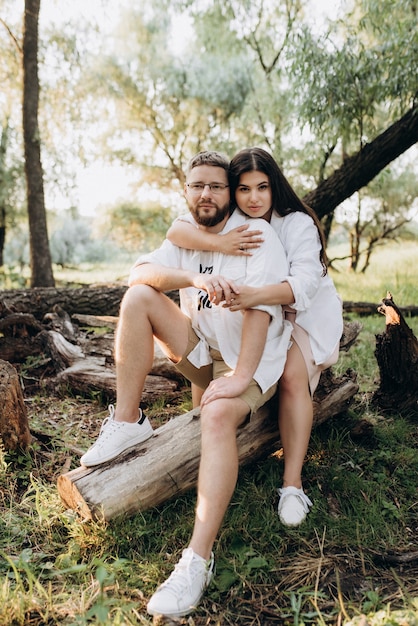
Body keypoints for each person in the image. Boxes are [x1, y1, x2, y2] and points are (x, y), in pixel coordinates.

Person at [80, 150, 293, 618]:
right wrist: (198, 272)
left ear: (230, 191)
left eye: (216, 186)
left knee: (216, 413)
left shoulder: (254, 237)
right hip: (204, 348)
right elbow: (140, 274)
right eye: (197, 186)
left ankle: (196, 560)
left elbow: (260, 315)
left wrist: (239, 379)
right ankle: (128, 421)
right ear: (186, 191)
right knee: (138, 298)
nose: (206, 194)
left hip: (250, 361)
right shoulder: (189, 233)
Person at [167, 146, 343, 528]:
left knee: (293, 377)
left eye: (262, 187)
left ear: (274, 186)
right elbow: (177, 229)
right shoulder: (229, 221)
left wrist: (254, 296)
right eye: (244, 189)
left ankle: (293, 483)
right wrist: (217, 246)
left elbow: (305, 285)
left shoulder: (295, 223)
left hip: (305, 315)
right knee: (215, 366)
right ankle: (206, 457)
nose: (253, 198)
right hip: (259, 316)